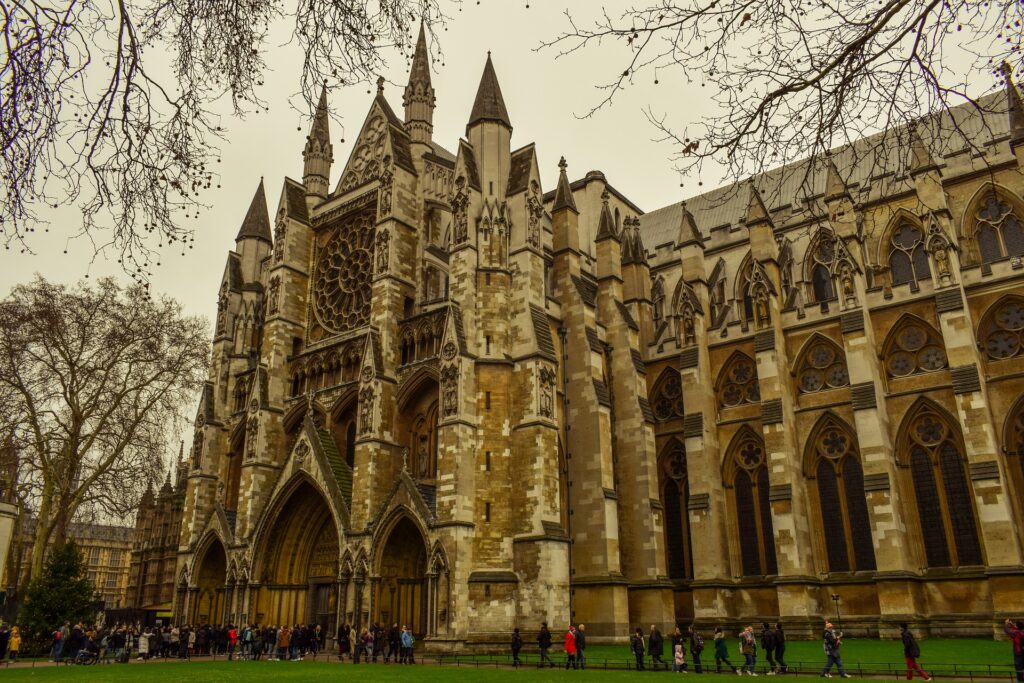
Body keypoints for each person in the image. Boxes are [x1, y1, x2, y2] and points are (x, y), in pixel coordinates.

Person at [1004, 619, 1023, 683]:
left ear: (1017, 626)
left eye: (1015, 624)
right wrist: (1011, 624)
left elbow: (1007, 631)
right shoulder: (1021, 632)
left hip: (1018, 651)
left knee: (1018, 665)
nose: (1014, 625)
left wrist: (1006, 624)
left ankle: (1020, 679)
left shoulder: (1016, 633)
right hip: (1022, 651)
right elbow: (1017, 629)